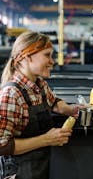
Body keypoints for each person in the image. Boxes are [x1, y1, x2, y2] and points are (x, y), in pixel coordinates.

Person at [0, 30, 82, 179]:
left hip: (40, 168)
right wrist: (46, 139)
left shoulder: (40, 85)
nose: (52, 61)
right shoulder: (11, 94)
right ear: (26, 57)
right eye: (47, 55)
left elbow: (53, 102)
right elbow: (2, 146)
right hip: (19, 173)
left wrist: (69, 109)